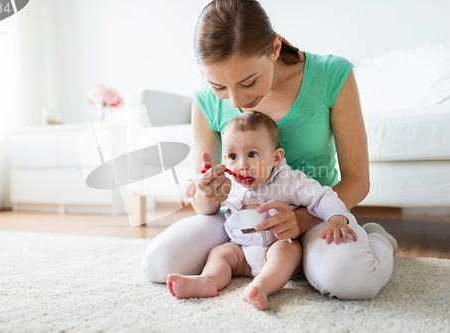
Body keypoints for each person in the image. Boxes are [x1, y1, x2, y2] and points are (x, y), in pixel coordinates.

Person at [142, 0, 398, 300]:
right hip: (240, 220)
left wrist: (300, 220)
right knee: (158, 264)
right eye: (219, 86)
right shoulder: (204, 102)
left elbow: (358, 180)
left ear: (275, 48)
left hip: (316, 214)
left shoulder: (332, 74)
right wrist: (208, 193)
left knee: (353, 281)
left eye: (248, 82)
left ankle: (378, 238)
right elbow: (204, 204)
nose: (235, 99)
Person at [167, 111, 357, 311]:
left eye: (252, 154)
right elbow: (202, 179)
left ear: (275, 157)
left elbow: (322, 196)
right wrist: (192, 184)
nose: (242, 166)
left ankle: (261, 286)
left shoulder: (288, 181)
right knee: (220, 253)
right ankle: (208, 281)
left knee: (288, 251)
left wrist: (336, 217)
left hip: (277, 246)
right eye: (233, 156)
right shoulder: (228, 181)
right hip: (241, 251)